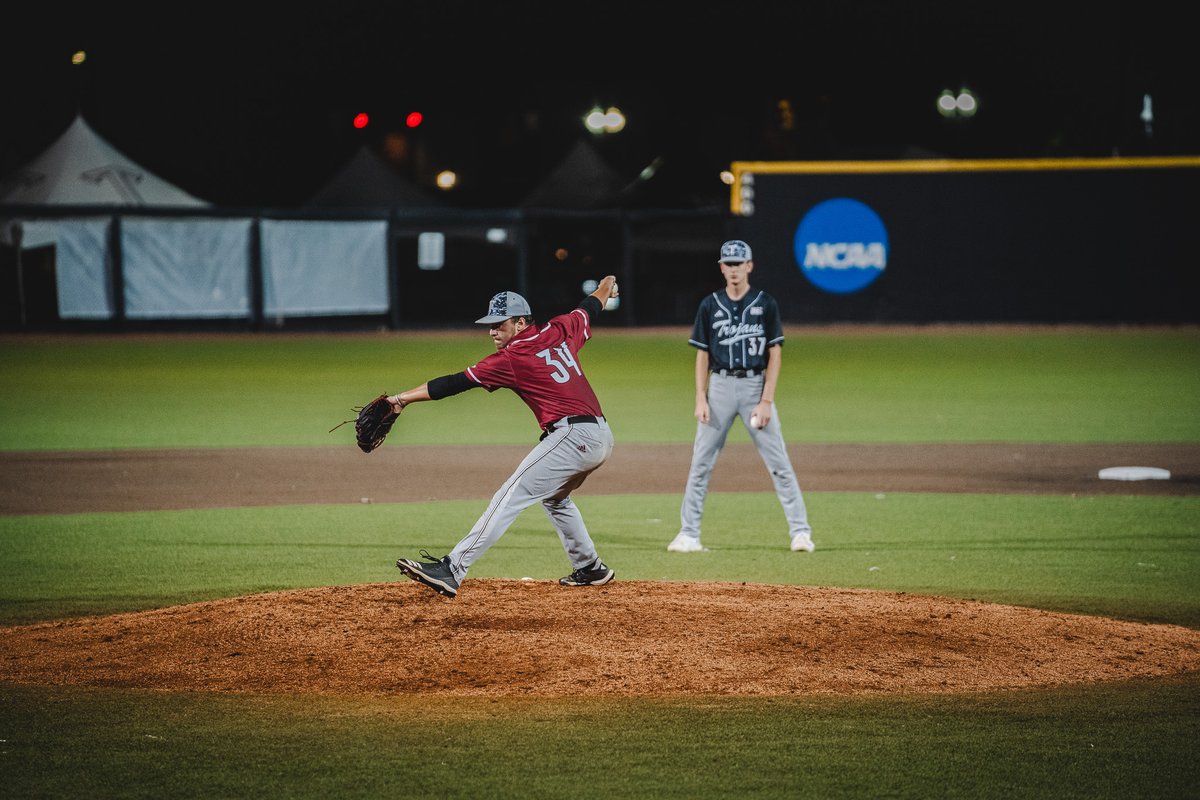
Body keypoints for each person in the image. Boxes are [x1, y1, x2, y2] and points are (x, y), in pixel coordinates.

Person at [390, 277, 620, 598]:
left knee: (510, 494)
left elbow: (453, 383)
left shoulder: (512, 358)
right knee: (555, 498)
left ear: (521, 322)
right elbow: (589, 306)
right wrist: (608, 286)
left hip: (571, 435)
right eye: (490, 325)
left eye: (500, 324)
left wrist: (400, 399)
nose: (493, 331)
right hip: (600, 435)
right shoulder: (560, 329)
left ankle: (452, 569)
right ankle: (590, 567)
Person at [667, 240, 815, 554]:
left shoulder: (765, 303)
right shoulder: (710, 305)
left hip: (754, 388)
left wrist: (766, 401)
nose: (734, 269)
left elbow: (774, 353)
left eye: (739, 263)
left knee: (779, 463)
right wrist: (700, 397)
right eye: (728, 264)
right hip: (719, 389)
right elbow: (702, 354)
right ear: (721, 267)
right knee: (701, 464)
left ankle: (801, 532)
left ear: (750, 265)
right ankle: (688, 534)